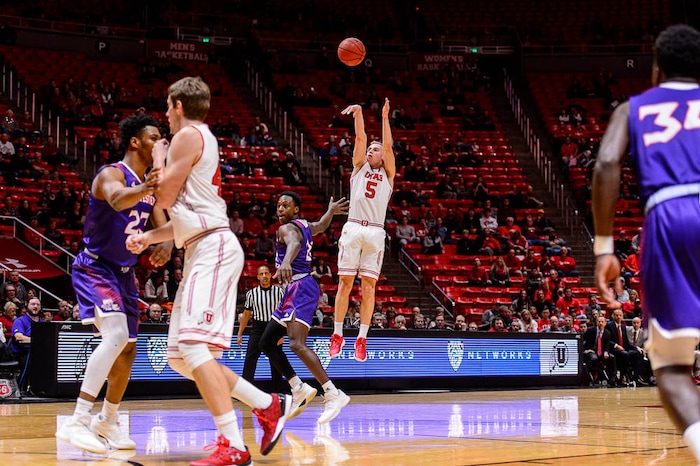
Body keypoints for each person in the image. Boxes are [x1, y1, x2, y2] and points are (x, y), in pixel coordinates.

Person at [125, 77, 291, 465]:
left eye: (167, 107)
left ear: (179, 105)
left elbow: (163, 197)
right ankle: (266, 404)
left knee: (194, 347)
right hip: (201, 243)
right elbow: (185, 216)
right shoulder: (198, 138)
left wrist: (158, 158)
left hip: (213, 248)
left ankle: (233, 444)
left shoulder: (186, 136)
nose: (165, 115)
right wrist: (148, 238)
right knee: (180, 357)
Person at [592, 24, 700, 464]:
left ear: (656, 71)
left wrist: (604, 246)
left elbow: (605, 164)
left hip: (671, 215)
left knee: (672, 367)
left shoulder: (633, 108)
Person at [55, 114, 172, 455]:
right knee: (117, 335)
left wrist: (165, 243)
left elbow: (161, 222)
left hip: (124, 273)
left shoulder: (150, 185)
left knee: (129, 349)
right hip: (95, 267)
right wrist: (146, 188)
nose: (159, 143)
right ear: (135, 142)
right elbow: (119, 199)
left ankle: (108, 420)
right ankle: (77, 421)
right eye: (154, 138)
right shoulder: (112, 174)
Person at [259, 191, 351, 425]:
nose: (280, 209)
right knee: (267, 342)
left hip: (301, 285)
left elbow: (294, 242)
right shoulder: (305, 224)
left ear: (295, 210)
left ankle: (333, 393)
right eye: (278, 205)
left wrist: (287, 261)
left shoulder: (287, 228)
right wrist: (330, 212)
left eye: (286, 205)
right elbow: (320, 226)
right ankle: (298, 387)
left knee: (296, 343)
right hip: (294, 289)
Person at [330, 98, 396, 363]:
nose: (371, 150)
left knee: (368, 288)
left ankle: (361, 338)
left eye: (375, 149)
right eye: (370, 148)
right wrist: (358, 113)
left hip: (376, 232)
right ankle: (337, 334)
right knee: (345, 283)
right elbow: (359, 138)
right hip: (354, 226)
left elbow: (389, 145)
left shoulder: (388, 174)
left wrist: (384, 117)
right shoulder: (359, 168)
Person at [237, 265, 285, 392]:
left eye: (266, 273)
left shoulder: (279, 292)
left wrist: (282, 334)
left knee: (276, 360)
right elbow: (247, 314)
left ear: (270, 275)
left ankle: (278, 391)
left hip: (274, 328)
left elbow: (284, 313)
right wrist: (240, 333)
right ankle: (245, 391)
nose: (264, 276)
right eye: (261, 274)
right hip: (258, 328)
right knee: (250, 359)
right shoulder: (251, 294)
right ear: (258, 277)